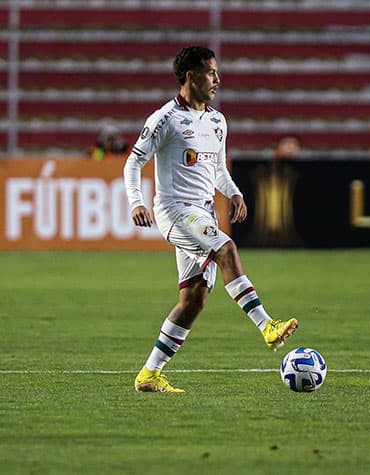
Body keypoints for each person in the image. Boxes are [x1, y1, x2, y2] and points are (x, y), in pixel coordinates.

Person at [123, 46, 298, 393]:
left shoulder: (218, 121)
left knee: (194, 300)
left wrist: (233, 192)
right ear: (191, 76)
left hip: (202, 212)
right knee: (227, 247)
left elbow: (217, 170)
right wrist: (136, 202)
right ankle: (267, 326)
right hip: (174, 211)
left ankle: (149, 374)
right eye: (211, 72)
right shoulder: (165, 119)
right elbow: (133, 162)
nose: (218, 79)